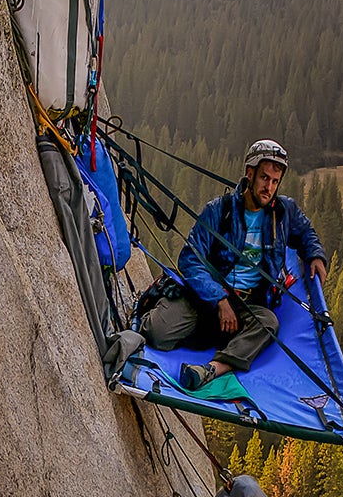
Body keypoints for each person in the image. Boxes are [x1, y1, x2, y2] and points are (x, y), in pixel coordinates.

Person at [139, 137, 328, 391]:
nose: (268, 187)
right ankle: (170, 310)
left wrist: (315, 255)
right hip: (206, 299)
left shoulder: (283, 212)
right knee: (155, 333)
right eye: (264, 178)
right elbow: (190, 258)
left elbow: (306, 233)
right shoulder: (219, 210)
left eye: (274, 181)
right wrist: (219, 300)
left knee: (268, 323)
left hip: (247, 306)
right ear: (249, 173)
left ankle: (212, 369)